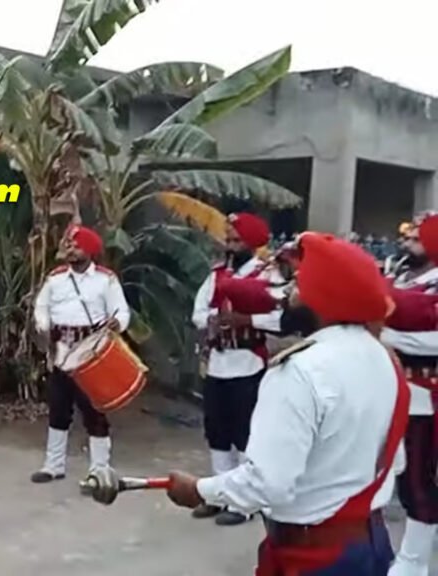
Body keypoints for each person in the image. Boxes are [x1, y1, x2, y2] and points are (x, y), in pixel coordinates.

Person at [165, 232, 407, 575]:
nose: (286, 296)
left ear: (323, 297)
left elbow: (268, 483)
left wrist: (200, 490)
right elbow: (394, 462)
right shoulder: (385, 360)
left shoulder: (300, 371)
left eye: (297, 286)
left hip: (315, 555)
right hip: (371, 543)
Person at [189, 212, 283, 526]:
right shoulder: (217, 274)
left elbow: (282, 317)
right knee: (216, 430)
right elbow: (199, 310)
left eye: (236, 240)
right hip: (218, 362)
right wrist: (211, 320)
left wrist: (247, 321)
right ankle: (220, 495)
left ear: (253, 243)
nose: (230, 245)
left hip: (248, 363)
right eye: (228, 240)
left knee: (244, 434)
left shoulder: (268, 275)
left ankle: (243, 504)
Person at [31, 224, 130, 488]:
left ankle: (99, 470)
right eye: (69, 246)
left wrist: (116, 324)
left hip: (92, 354)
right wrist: (43, 324)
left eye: (76, 246)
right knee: (58, 409)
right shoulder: (56, 278)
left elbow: (122, 312)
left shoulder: (106, 280)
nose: (70, 250)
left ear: (90, 250)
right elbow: (41, 306)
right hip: (61, 352)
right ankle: (53, 466)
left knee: (94, 413)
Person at [382, 214, 438, 575]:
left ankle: (413, 563)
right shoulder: (402, 274)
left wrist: (380, 334)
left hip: (425, 396)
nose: (407, 244)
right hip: (391, 388)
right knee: (395, 473)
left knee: (420, 481)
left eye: (417, 239)